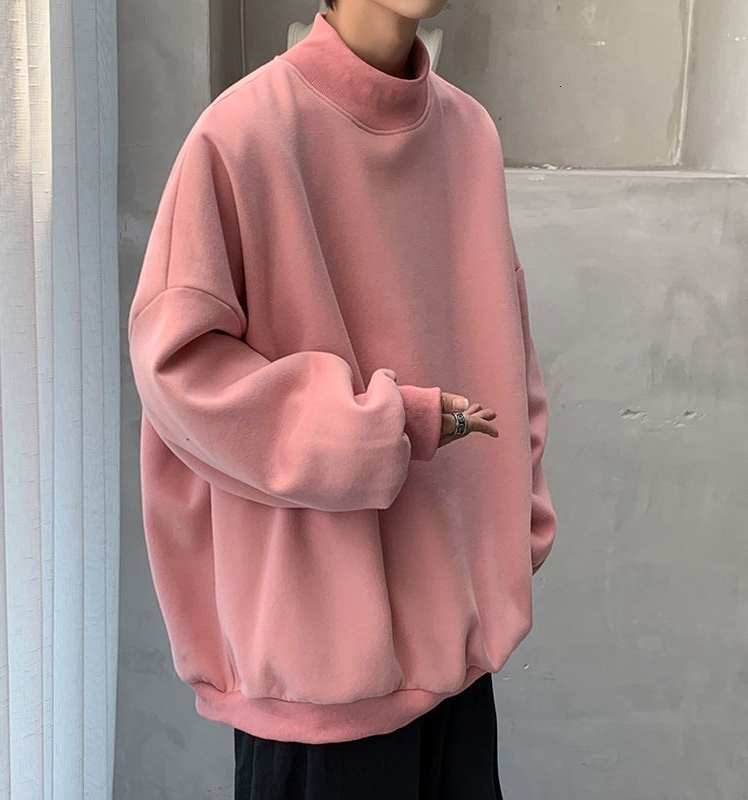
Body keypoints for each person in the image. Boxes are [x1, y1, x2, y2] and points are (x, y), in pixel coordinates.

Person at [127, 0, 557, 797]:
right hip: (317, 688)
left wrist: (513, 525)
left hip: (457, 665)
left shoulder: (469, 134)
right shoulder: (243, 133)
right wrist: (384, 427)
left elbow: (505, 341)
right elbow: (178, 373)